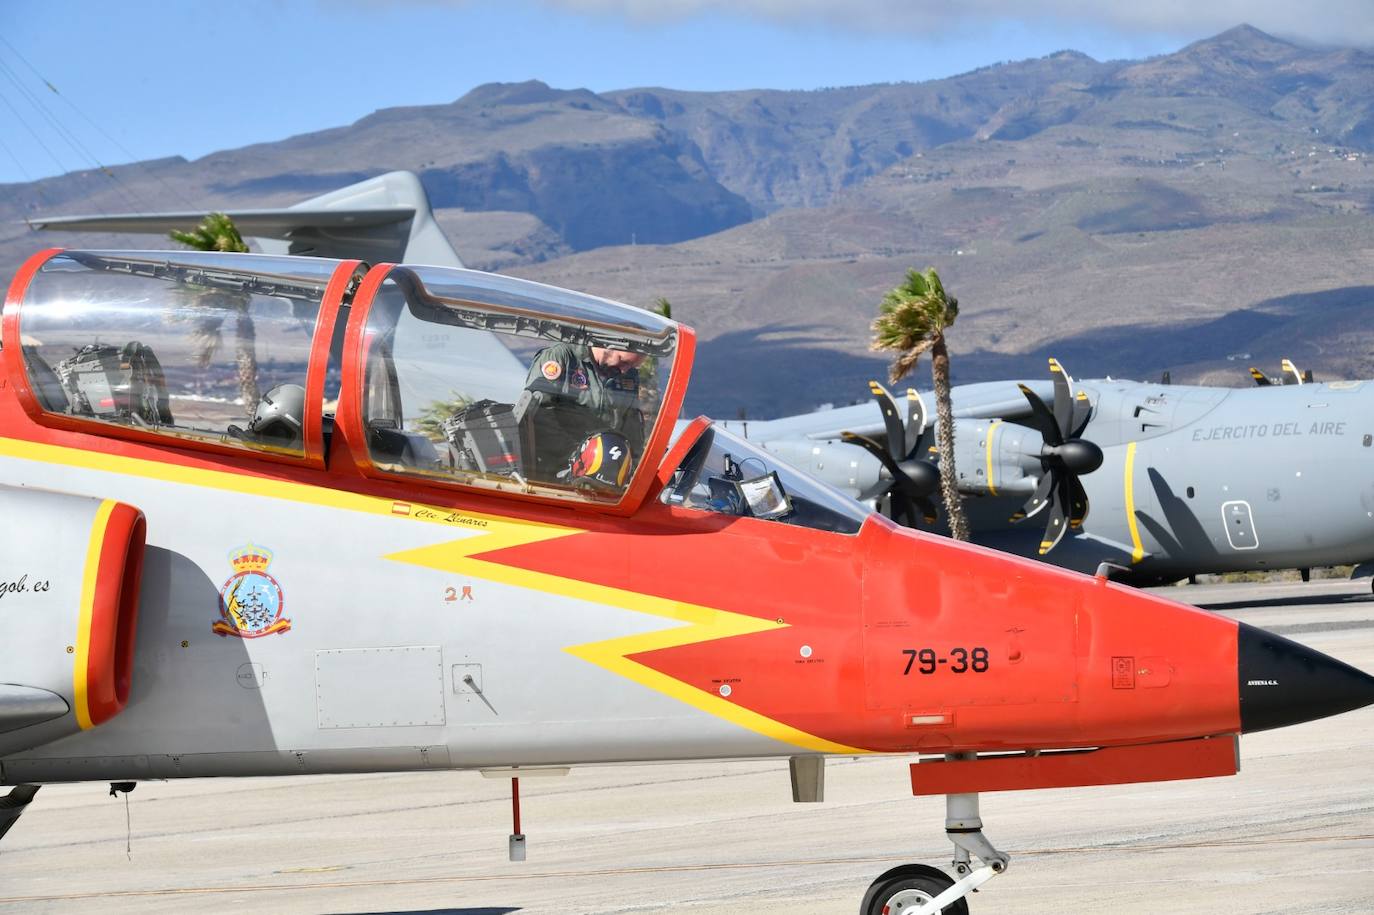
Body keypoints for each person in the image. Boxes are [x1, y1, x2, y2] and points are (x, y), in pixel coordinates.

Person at [523, 343, 646, 480]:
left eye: (632, 366)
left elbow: (632, 425)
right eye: (623, 361)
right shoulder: (563, 357)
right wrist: (577, 454)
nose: (625, 370)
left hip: (603, 474)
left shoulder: (629, 375)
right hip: (554, 469)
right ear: (611, 346)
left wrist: (634, 468)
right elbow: (538, 415)